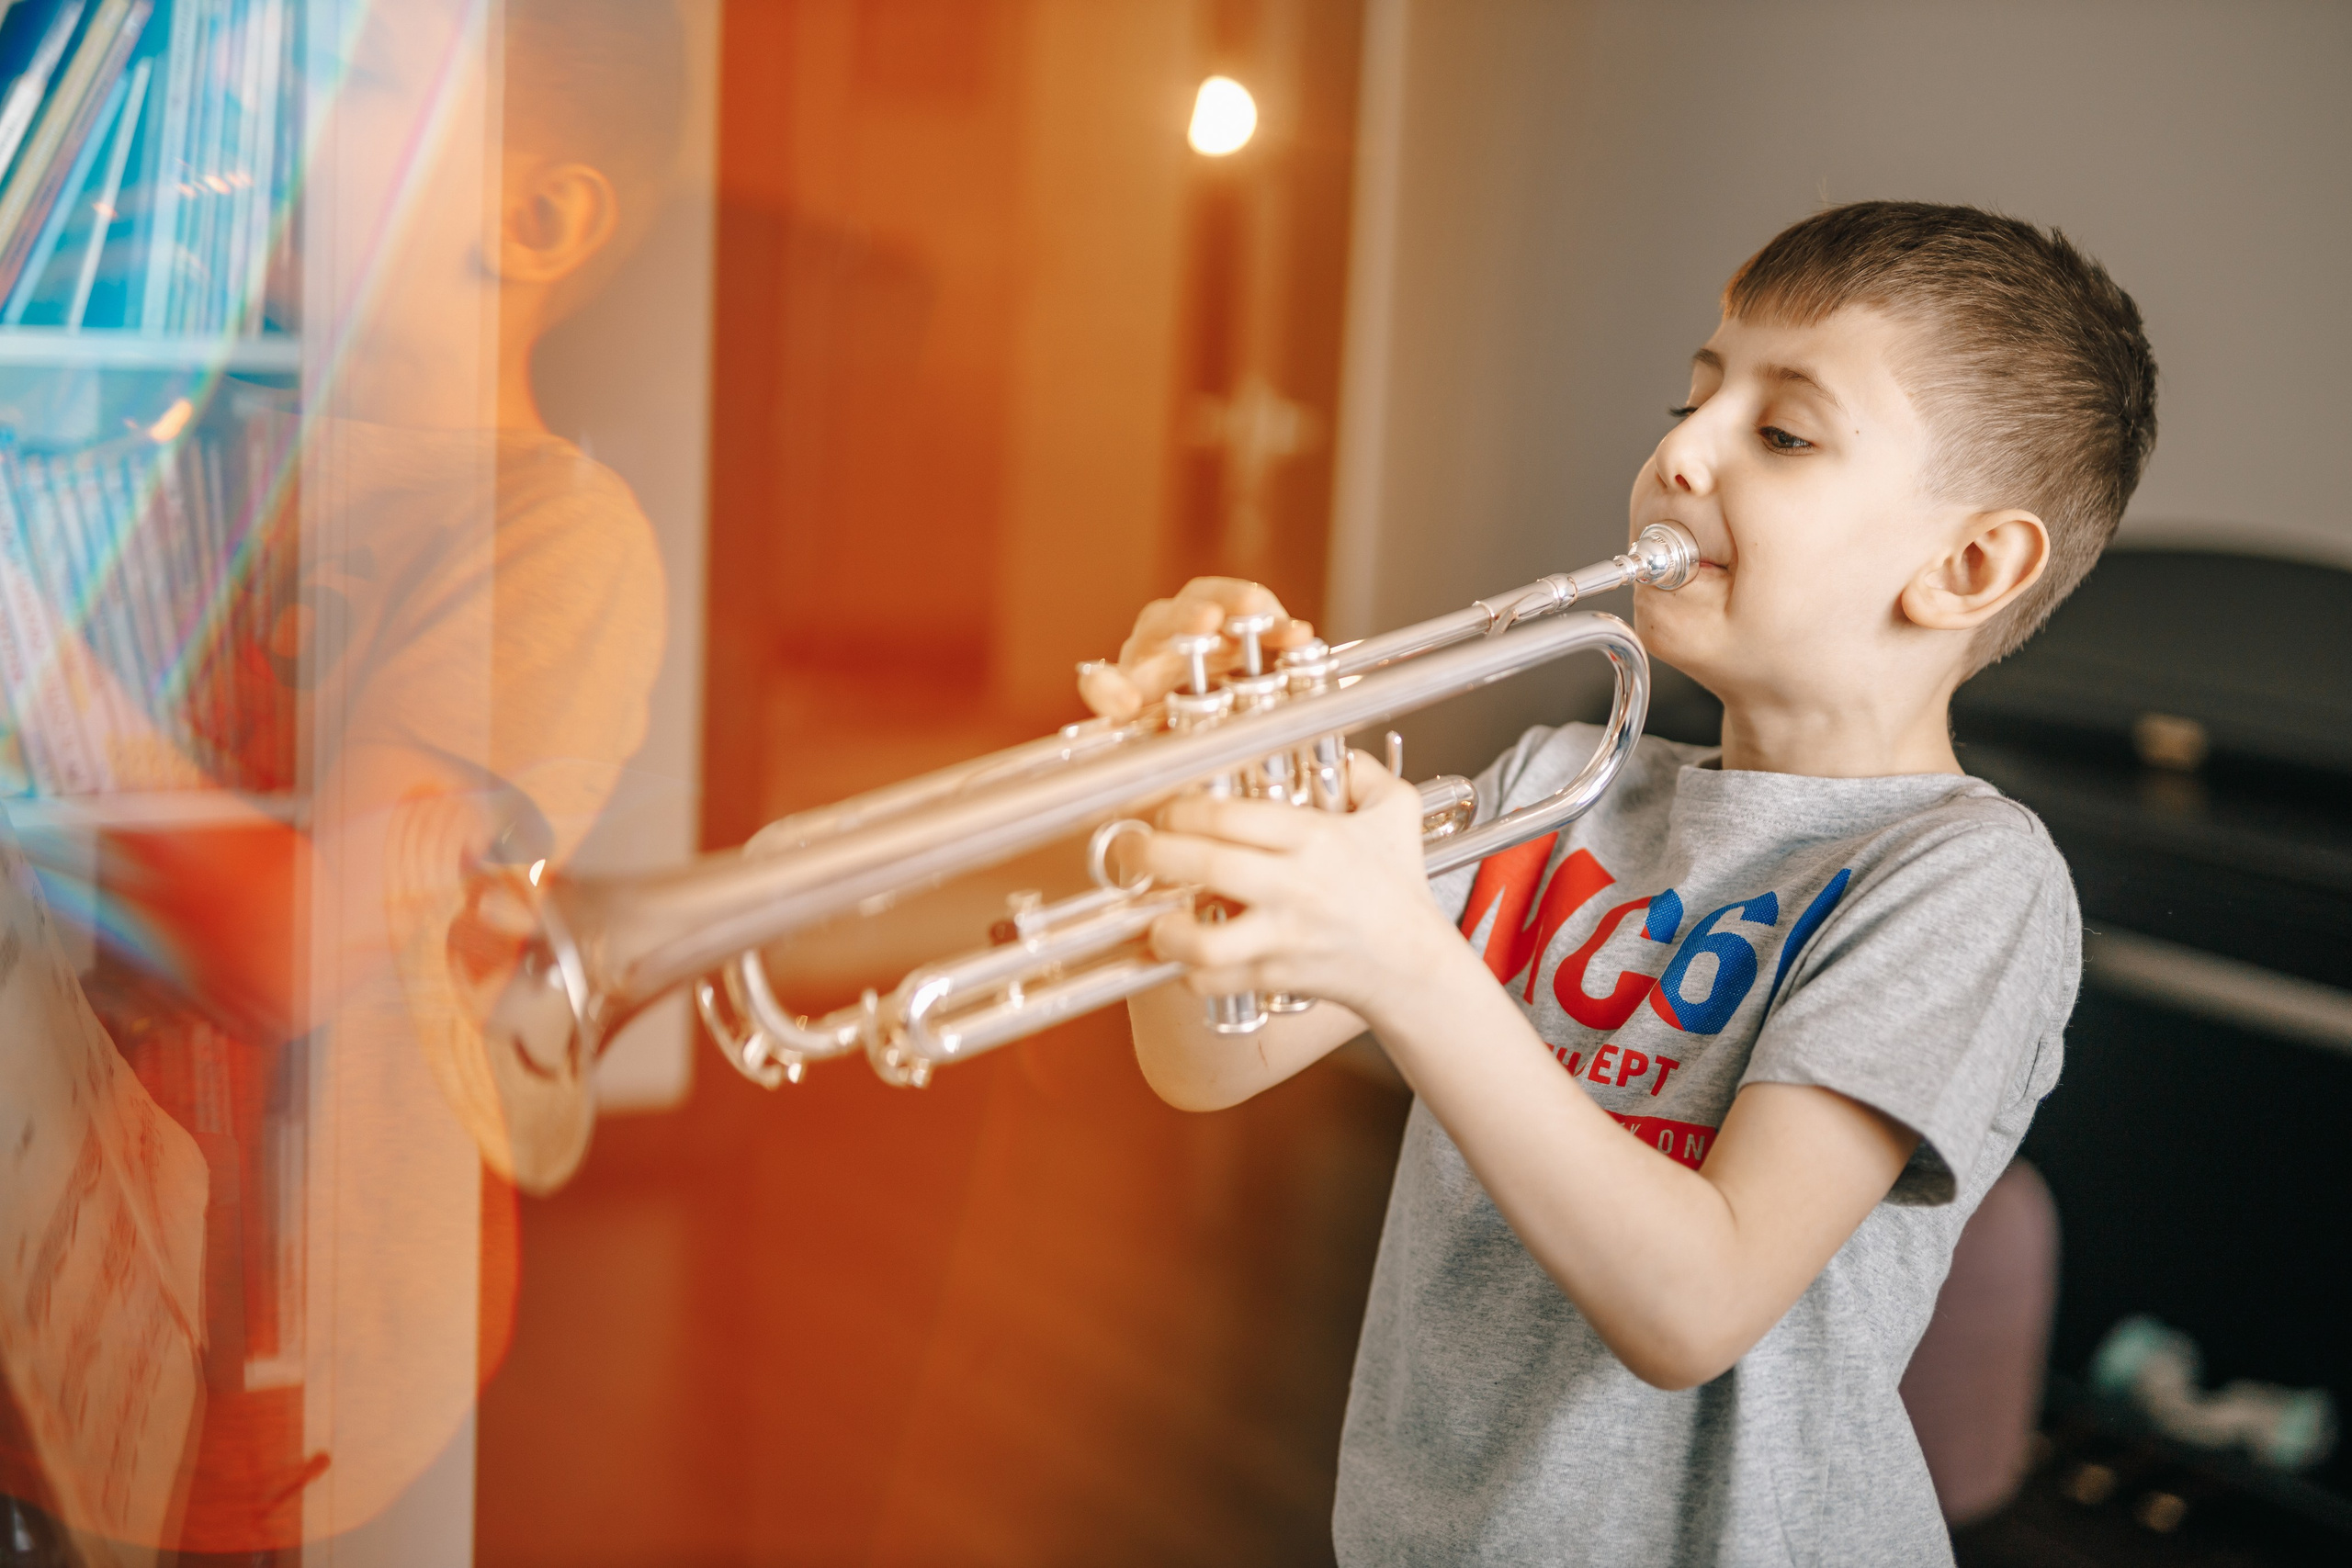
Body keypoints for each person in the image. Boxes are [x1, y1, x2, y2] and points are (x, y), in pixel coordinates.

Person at [1081, 201, 2155, 1563]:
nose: (1679, 453)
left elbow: (1694, 1307)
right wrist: (1206, 760)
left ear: (1966, 568)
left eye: (1780, 433)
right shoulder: (1553, 784)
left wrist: (1407, 963)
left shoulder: (1959, 878)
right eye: (1691, 399)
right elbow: (1206, 1060)